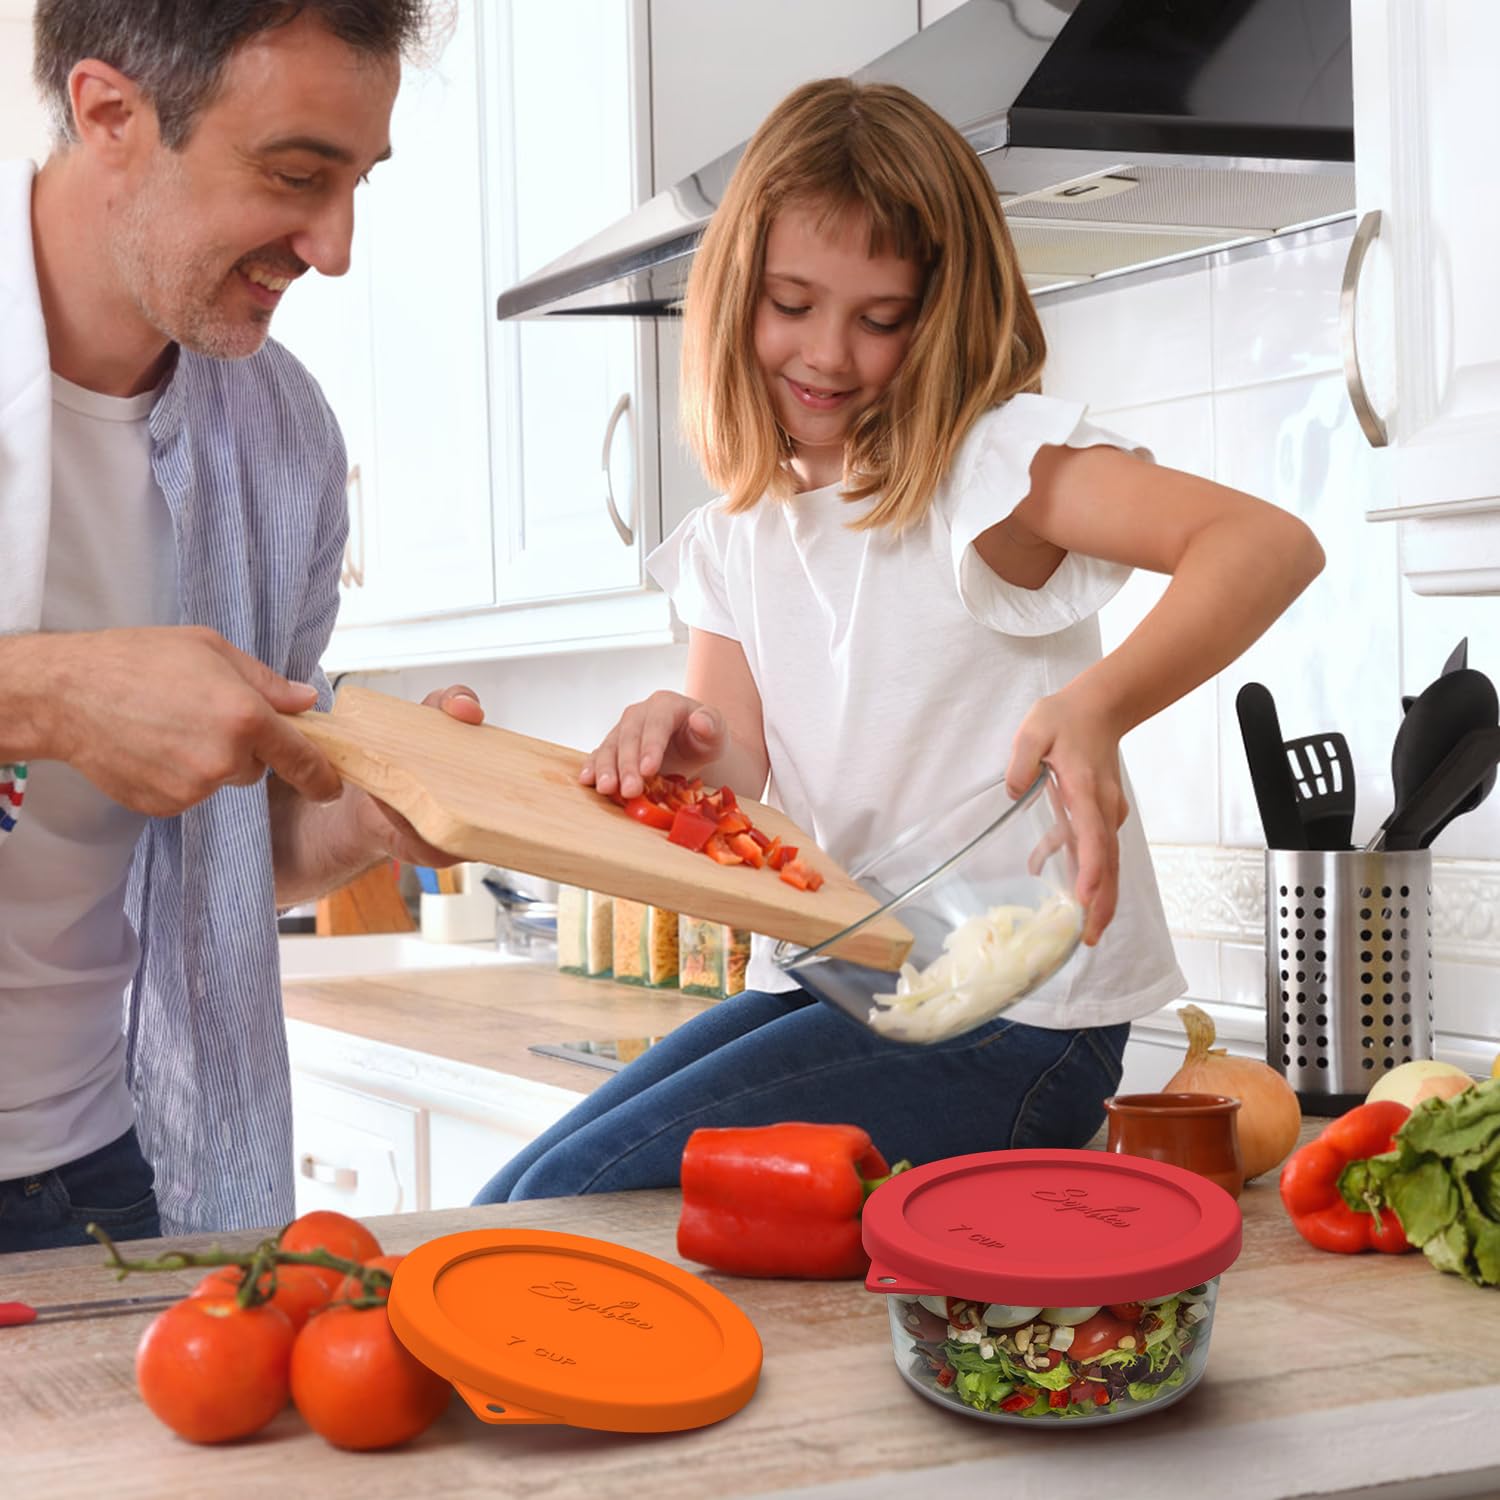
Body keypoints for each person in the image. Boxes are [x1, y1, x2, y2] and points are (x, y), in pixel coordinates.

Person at [474, 78, 1324, 1206]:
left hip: (1017, 1016)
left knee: (568, 1201)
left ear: (943, 316)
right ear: (733, 297)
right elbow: (736, 768)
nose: (829, 354)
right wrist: (681, 739)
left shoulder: (994, 470)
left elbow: (1266, 544)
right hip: (843, 981)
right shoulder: (735, 534)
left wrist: (1098, 706)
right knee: (526, 1190)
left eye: (880, 319)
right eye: (792, 303)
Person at [0, 0, 483, 1253]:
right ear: (111, 114)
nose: (334, 248)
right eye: (295, 175)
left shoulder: (286, 444)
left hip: (93, 1173)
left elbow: (231, 856)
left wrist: (361, 818)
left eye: (358, 181)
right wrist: (50, 695)